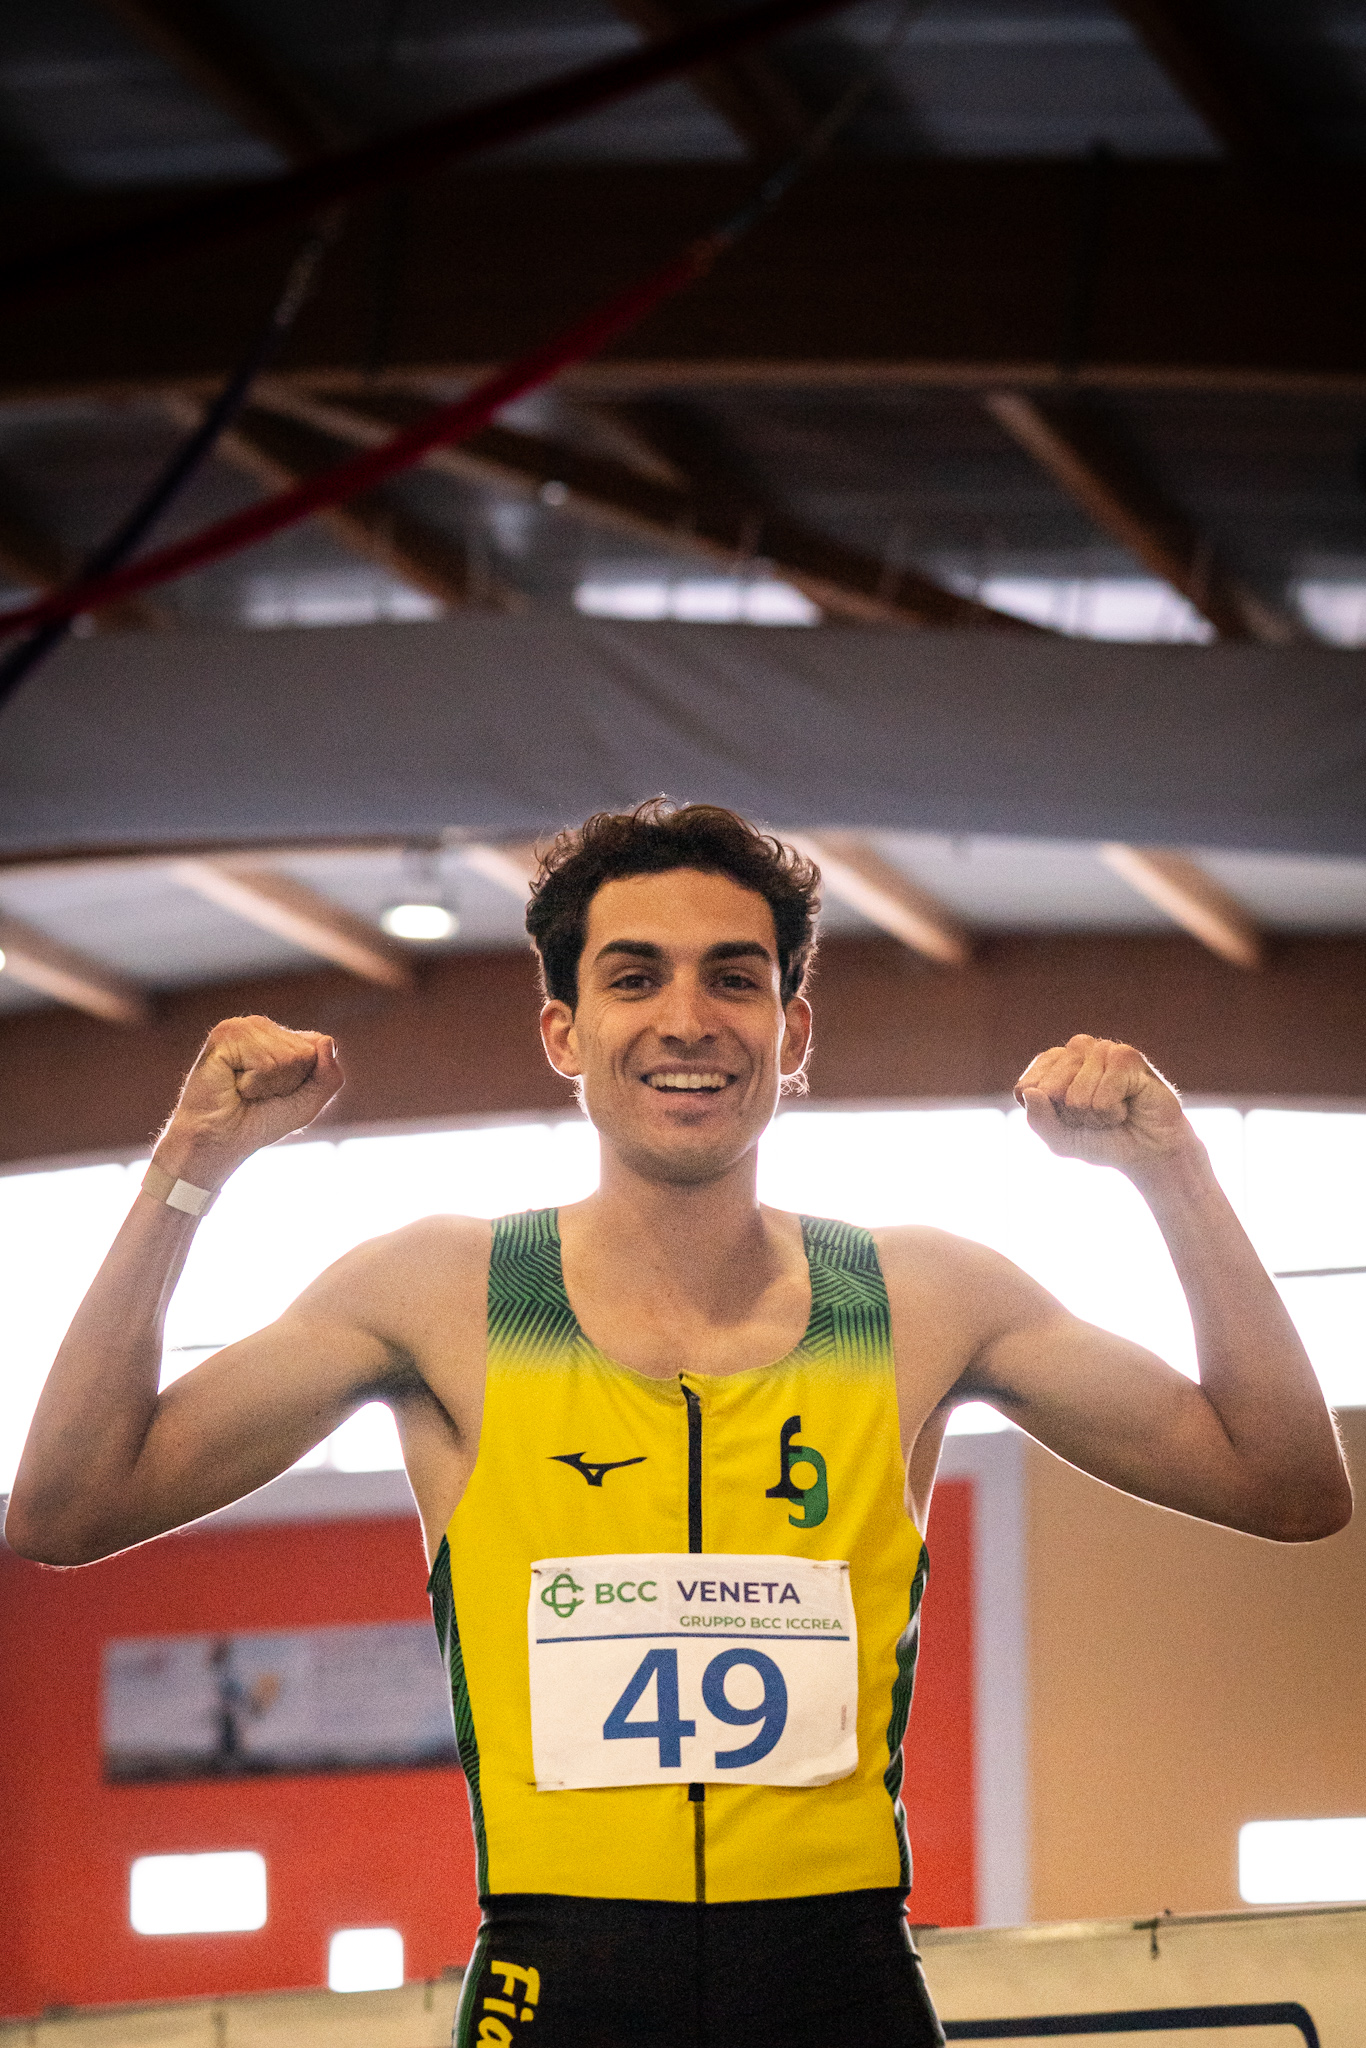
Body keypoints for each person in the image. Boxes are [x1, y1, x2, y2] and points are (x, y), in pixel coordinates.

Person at [7, 801, 1351, 2048]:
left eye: (734, 979)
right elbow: (67, 1508)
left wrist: (1171, 1168)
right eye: (634, 977)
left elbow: (1287, 1483)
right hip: (557, 1988)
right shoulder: (439, 1295)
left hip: (839, 1986)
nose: (688, 1021)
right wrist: (191, 1162)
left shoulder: (923, 1300)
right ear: (562, 1030)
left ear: (793, 1031)